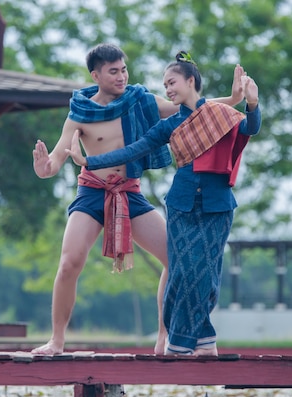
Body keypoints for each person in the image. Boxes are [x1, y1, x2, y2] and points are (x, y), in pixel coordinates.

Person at [31, 43, 245, 355]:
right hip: (92, 192)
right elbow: (57, 157)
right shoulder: (80, 113)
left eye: (124, 70)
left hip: (129, 192)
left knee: (176, 259)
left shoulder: (140, 99)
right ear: (96, 75)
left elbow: (192, 109)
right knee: (69, 262)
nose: (122, 77)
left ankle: (164, 338)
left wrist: (234, 100)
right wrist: (44, 168)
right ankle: (57, 340)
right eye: (113, 72)